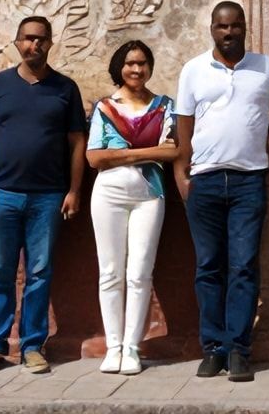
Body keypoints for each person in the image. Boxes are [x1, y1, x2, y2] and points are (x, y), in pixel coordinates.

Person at [173, 1, 269, 382]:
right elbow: (184, 123)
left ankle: (239, 350)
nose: (229, 33)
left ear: (245, 28)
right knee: (208, 267)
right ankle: (213, 350)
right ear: (211, 28)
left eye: (235, 26)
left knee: (244, 267)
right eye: (221, 27)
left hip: (249, 180)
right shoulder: (193, 70)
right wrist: (182, 173)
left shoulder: (266, 67)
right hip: (206, 179)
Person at [0, 15, 87, 375]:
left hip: (48, 197)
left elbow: (77, 142)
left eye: (41, 39)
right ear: (17, 42)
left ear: (50, 44)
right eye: (27, 39)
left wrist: (74, 190)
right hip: (3, 193)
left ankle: (33, 346)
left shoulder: (65, 89)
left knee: (39, 273)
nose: (34, 45)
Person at [86, 40, 180, 376]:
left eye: (142, 63)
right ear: (119, 68)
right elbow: (95, 157)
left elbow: (172, 152)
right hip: (108, 194)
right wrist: (145, 151)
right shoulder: (104, 108)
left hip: (149, 195)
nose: (136, 69)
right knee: (110, 273)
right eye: (129, 63)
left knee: (140, 274)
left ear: (150, 67)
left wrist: (121, 153)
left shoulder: (164, 106)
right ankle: (113, 347)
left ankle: (132, 348)